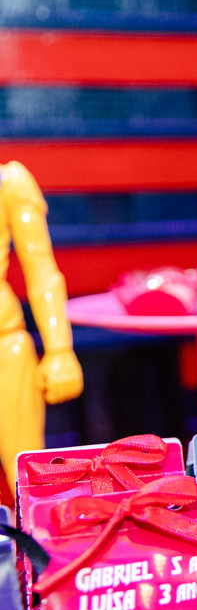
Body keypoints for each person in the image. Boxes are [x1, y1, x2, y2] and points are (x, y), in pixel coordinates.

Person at [0, 161, 83, 490]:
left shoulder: (9, 182)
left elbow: (42, 272)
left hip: (6, 346)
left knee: (25, 474)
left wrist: (60, 349)